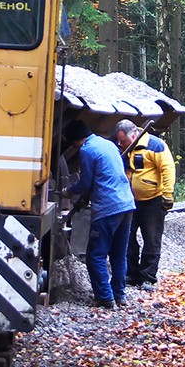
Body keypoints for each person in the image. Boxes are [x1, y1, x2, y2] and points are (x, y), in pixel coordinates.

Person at [64, 119, 136, 309]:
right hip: (127, 203)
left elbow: (86, 183)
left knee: (95, 255)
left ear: (76, 141)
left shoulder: (87, 150)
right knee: (119, 254)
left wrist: (69, 191)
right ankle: (119, 295)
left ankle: (105, 297)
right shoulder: (109, 144)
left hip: (108, 207)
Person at [114, 119, 177, 291]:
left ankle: (148, 276)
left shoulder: (155, 145)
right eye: (119, 141)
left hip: (153, 200)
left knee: (151, 238)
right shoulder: (121, 148)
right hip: (129, 200)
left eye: (124, 141)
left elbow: (168, 169)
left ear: (133, 135)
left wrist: (167, 195)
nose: (120, 144)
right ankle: (132, 273)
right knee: (128, 237)